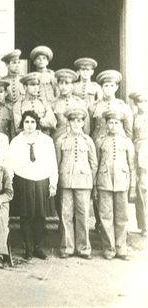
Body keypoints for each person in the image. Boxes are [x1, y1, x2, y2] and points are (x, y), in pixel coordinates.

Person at [10, 110, 58, 260]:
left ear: (37, 123)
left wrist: (53, 183)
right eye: (26, 122)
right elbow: (10, 164)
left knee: (39, 216)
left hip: (41, 181)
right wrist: (10, 182)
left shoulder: (46, 141)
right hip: (23, 181)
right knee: (25, 216)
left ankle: (38, 247)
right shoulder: (16, 141)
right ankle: (28, 248)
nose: (29, 125)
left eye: (32, 122)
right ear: (22, 124)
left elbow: (52, 163)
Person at [56, 108, 97, 259]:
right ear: (68, 122)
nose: (76, 123)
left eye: (79, 121)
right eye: (73, 120)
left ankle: (84, 248)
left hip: (83, 182)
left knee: (83, 215)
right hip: (66, 182)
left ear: (83, 123)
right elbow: (57, 161)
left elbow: (94, 163)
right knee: (66, 214)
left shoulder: (88, 141)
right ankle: (67, 247)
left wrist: (91, 182)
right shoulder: (61, 140)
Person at [96, 109, 135, 260]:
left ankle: (121, 247)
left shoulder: (127, 142)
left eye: (116, 123)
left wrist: (132, 187)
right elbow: (97, 164)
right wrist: (95, 186)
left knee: (122, 216)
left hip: (122, 183)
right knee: (106, 216)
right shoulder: (100, 141)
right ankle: (109, 248)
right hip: (104, 182)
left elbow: (131, 165)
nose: (113, 125)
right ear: (106, 124)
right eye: (110, 123)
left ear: (120, 124)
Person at [90, 70, 133, 141]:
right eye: (106, 86)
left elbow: (128, 133)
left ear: (116, 87)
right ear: (101, 88)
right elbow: (90, 130)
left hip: (117, 145)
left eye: (112, 85)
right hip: (98, 143)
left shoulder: (123, 107)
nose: (109, 88)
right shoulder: (94, 107)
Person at [52, 69, 90, 143]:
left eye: (67, 83)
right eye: (61, 83)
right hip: (57, 139)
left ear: (72, 85)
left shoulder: (80, 103)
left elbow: (86, 128)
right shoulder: (53, 104)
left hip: (77, 141)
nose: (63, 86)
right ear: (58, 85)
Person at [129, 91, 147, 237]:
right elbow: (131, 135)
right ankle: (144, 225)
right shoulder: (134, 118)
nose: (143, 105)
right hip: (138, 151)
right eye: (140, 102)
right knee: (141, 188)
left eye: (145, 102)